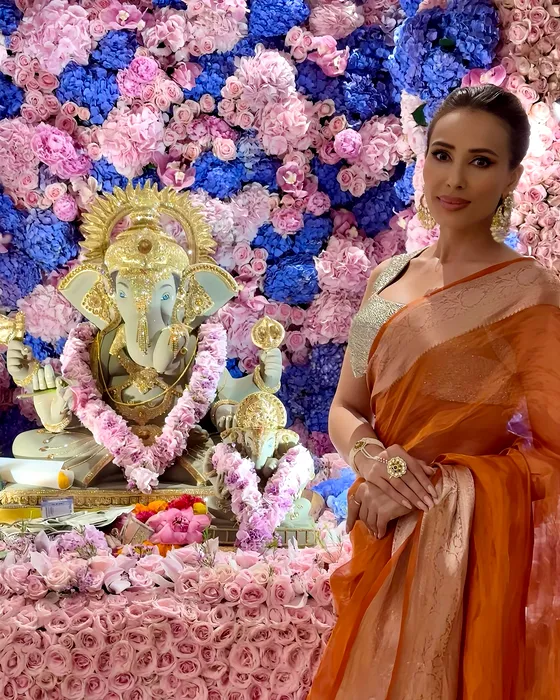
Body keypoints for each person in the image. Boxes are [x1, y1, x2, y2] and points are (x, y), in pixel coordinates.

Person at [309, 85, 560, 700]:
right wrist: (378, 464)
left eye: (481, 161)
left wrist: (437, 491)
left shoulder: (532, 295)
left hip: (468, 562)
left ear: (511, 177)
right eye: (442, 154)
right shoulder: (386, 279)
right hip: (382, 533)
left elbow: (554, 457)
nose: (455, 178)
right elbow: (346, 407)